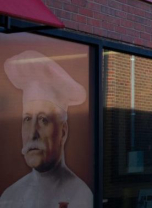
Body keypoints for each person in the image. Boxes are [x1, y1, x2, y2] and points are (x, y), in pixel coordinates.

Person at [0, 50, 93, 208]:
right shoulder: (10, 196)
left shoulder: (80, 197)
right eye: (27, 119)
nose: (32, 133)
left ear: (63, 132)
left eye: (43, 120)